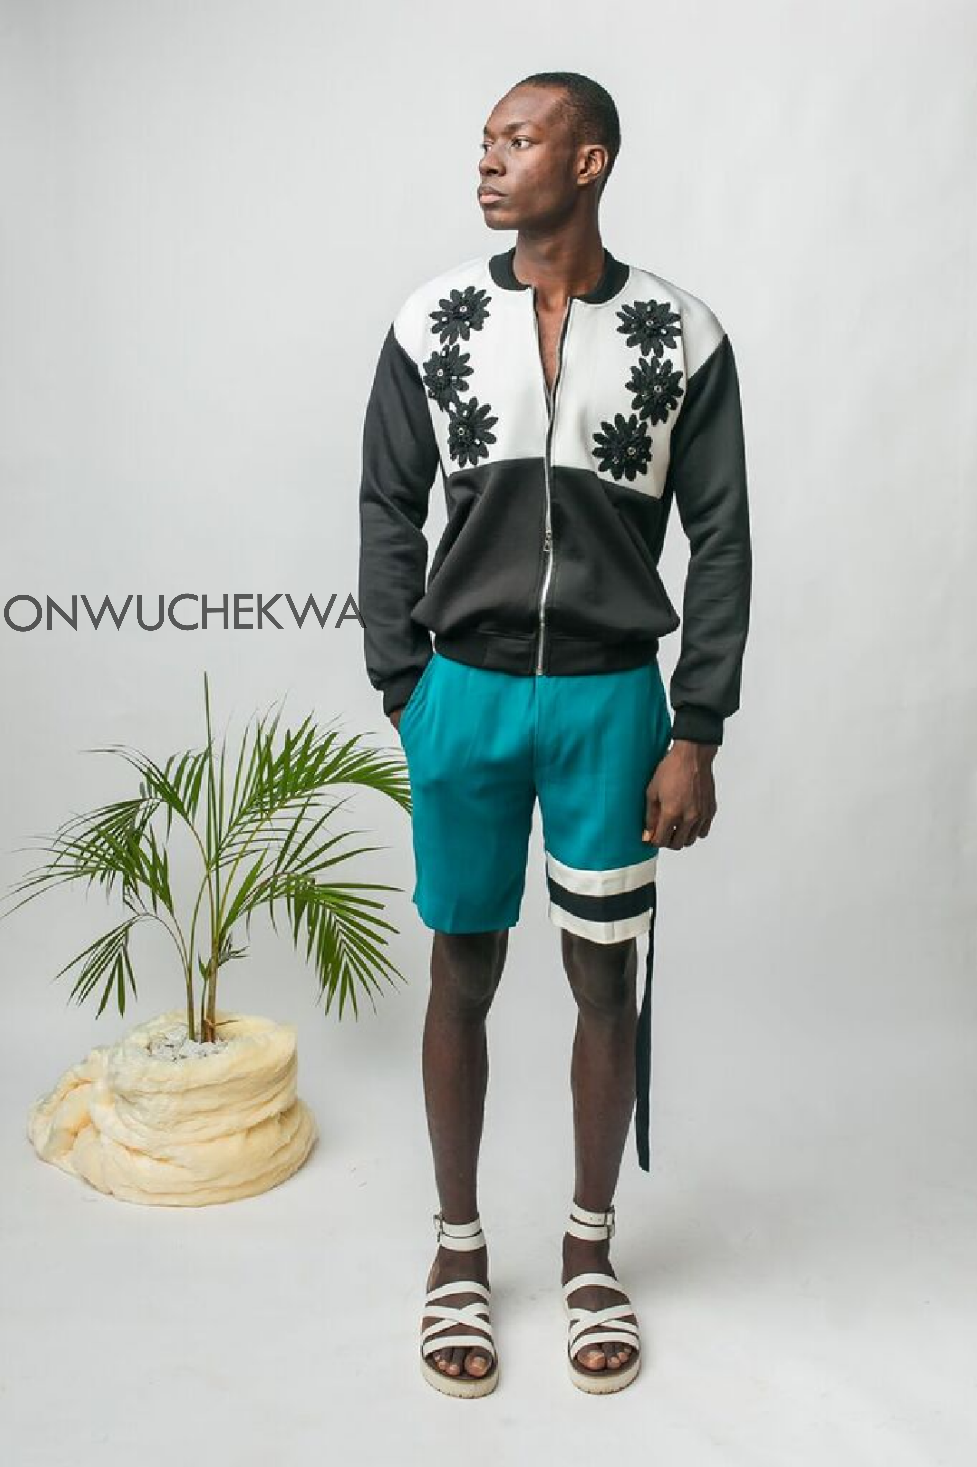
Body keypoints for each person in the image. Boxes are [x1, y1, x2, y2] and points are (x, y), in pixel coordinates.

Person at [357, 70, 752, 1397]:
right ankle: (457, 1250)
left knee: (601, 980)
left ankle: (589, 1249)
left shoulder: (680, 335)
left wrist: (695, 726)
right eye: (486, 142)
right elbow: (386, 505)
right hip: (463, 698)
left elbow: (722, 538)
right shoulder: (432, 321)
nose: (489, 161)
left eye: (517, 140)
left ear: (588, 163)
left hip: (610, 705)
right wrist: (406, 685)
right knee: (460, 971)